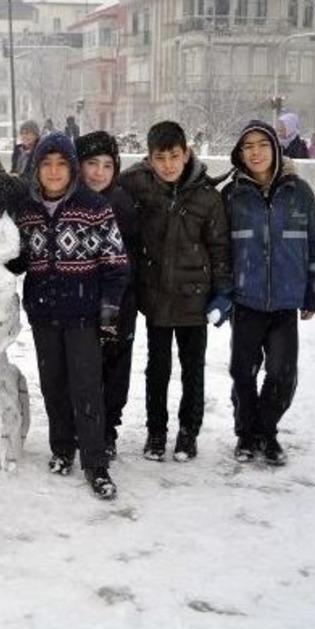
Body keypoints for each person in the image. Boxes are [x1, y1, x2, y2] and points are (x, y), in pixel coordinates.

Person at [7, 132, 128, 499]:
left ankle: (95, 463)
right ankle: (62, 449)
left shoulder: (93, 207)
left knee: (86, 388)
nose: (54, 171)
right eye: (47, 164)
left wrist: (108, 312)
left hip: (83, 316)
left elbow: (115, 264)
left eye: (62, 164)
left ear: (73, 169)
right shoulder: (27, 211)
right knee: (53, 384)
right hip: (44, 315)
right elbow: (19, 259)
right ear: (37, 169)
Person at [118, 121, 232, 463]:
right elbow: (108, 187)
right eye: (160, 157)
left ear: (187, 154)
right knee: (158, 369)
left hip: (194, 300)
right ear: (149, 158)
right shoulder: (140, 186)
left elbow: (220, 249)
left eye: (174, 156)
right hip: (155, 298)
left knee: (192, 368)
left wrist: (222, 294)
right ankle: (156, 431)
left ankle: (188, 431)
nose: (168, 164)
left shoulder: (207, 198)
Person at [223, 120, 315, 466]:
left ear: (275, 148)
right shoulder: (232, 195)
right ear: (240, 154)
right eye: (248, 146)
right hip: (246, 300)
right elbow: (220, 251)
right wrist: (223, 294)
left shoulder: (299, 192)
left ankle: (265, 432)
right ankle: (245, 434)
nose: (255, 152)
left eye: (262, 145)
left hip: (285, 301)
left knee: (283, 373)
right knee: (242, 372)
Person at [75, 131, 140, 460]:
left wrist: (120, 301)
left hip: (118, 304)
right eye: (91, 164)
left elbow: (132, 260)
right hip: (78, 302)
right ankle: (83, 424)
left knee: (114, 367)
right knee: (82, 367)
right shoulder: (69, 202)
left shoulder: (124, 204)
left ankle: (107, 428)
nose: (99, 172)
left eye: (106, 165)